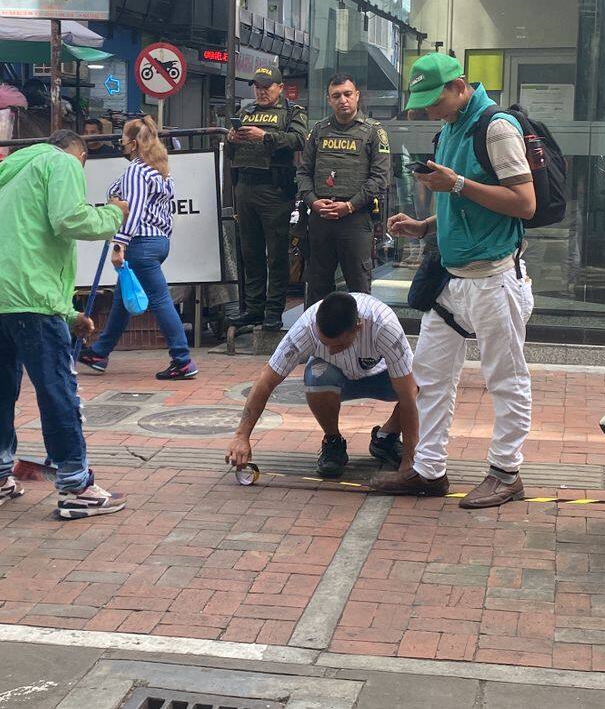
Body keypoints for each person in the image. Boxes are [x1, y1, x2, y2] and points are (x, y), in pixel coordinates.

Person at [372, 53, 536, 509]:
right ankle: (427, 470)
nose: (428, 110)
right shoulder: (448, 130)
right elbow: (456, 204)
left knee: (505, 377)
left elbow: (524, 203)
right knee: (429, 375)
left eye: (433, 100)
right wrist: (425, 225)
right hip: (450, 276)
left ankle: (506, 472)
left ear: (460, 86)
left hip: (494, 277)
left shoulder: (497, 128)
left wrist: (459, 184)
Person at [0, 130, 129, 520]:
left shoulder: (14, 175)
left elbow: (25, 248)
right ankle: (75, 485)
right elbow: (69, 218)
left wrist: (69, 316)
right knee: (57, 392)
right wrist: (112, 213)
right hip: (30, 305)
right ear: (81, 155)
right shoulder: (62, 162)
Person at [227, 292, 418, 479]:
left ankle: (386, 438)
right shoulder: (305, 328)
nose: (331, 351)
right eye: (324, 343)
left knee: (421, 384)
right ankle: (333, 441)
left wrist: (409, 460)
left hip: (383, 377)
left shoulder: (383, 326)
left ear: (358, 327)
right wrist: (241, 436)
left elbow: (408, 396)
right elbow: (266, 381)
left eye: (339, 345)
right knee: (317, 375)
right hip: (334, 379)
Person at [78, 116, 196, 380]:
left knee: (160, 299)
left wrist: (120, 243)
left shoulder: (137, 170)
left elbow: (133, 210)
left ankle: (182, 359)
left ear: (133, 144)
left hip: (140, 243)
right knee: (123, 298)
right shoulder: (160, 170)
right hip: (158, 241)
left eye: (122, 138)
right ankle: (99, 353)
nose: (119, 142)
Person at [226, 66, 309, 331]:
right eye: (258, 87)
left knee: (276, 255)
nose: (262, 91)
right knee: (250, 252)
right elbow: (230, 153)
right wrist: (231, 138)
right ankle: (254, 309)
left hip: (274, 190)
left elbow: (299, 140)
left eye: (267, 87)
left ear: (280, 87)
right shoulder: (246, 112)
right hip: (245, 187)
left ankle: (273, 311)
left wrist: (266, 136)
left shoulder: (293, 112)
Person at [297, 75, 392, 306]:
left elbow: (380, 179)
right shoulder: (318, 131)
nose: (343, 100)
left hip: (356, 219)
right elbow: (303, 173)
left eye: (348, 94)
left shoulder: (373, 132)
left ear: (357, 96)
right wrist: (312, 201)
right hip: (321, 218)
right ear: (329, 100)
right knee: (317, 285)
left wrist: (349, 205)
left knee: (359, 286)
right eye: (336, 96)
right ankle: (316, 338)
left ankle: (360, 339)